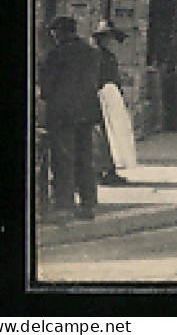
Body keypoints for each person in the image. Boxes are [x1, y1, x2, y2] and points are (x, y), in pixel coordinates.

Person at [38, 17, 103, 220]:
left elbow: (46, 87)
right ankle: (88, 203)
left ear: (59, 32)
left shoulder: (57, 54)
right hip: (88, 111)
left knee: (63, 158)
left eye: (54, 32)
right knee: (85, 158)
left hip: (63, 113)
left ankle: (64, 204)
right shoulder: (91, 52)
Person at [92, 25, 130, 185]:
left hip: (111, 97)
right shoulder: (97, 56)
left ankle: (110, 169)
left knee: (114, 135)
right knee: (104, 136)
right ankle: (103, 170)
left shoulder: (108, 56)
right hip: (102, 97)